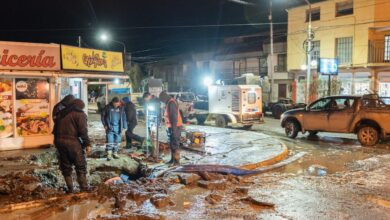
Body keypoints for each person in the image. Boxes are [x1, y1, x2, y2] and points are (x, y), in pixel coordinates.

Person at [53, 99, 91, 193]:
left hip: (58, 141)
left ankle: (70, 189)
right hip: (72, 142)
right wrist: (87, 144)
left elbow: (55, 128)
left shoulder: (61, 113)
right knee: (80, 165)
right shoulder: (80, 114)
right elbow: (83, 131)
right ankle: (84, 188)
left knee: (65, 166)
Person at [159, 91, 183, 166]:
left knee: (175, 144)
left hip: (175, 127)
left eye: (162, 100)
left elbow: (174, 118)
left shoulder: (171, 103)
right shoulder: (170, 102)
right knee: (172, 144)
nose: (162, 102)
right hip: (172, 127)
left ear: (164, 98)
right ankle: (172, 160)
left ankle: (176, 161)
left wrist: (174, 130)